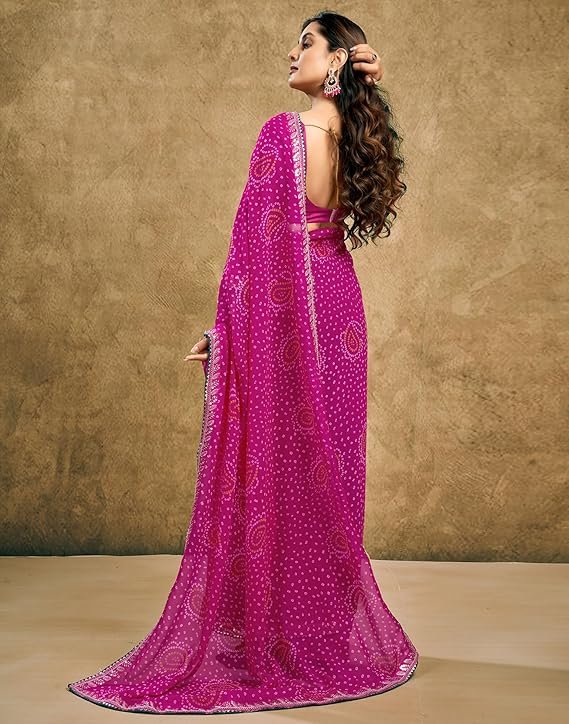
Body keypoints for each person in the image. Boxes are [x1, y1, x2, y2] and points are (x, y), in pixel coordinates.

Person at [67, 11, 417, 714]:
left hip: (288, 316)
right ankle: (314, 635)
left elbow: (253, 258)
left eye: (307, 43)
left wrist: (224, 331)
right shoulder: (359, 137)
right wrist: (365, 86)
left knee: (275, 468)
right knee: (323, 474)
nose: (291, 52)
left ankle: (270, 637)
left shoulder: (282, 134)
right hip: (338, 313)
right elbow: (302, 241)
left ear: (337, 60)